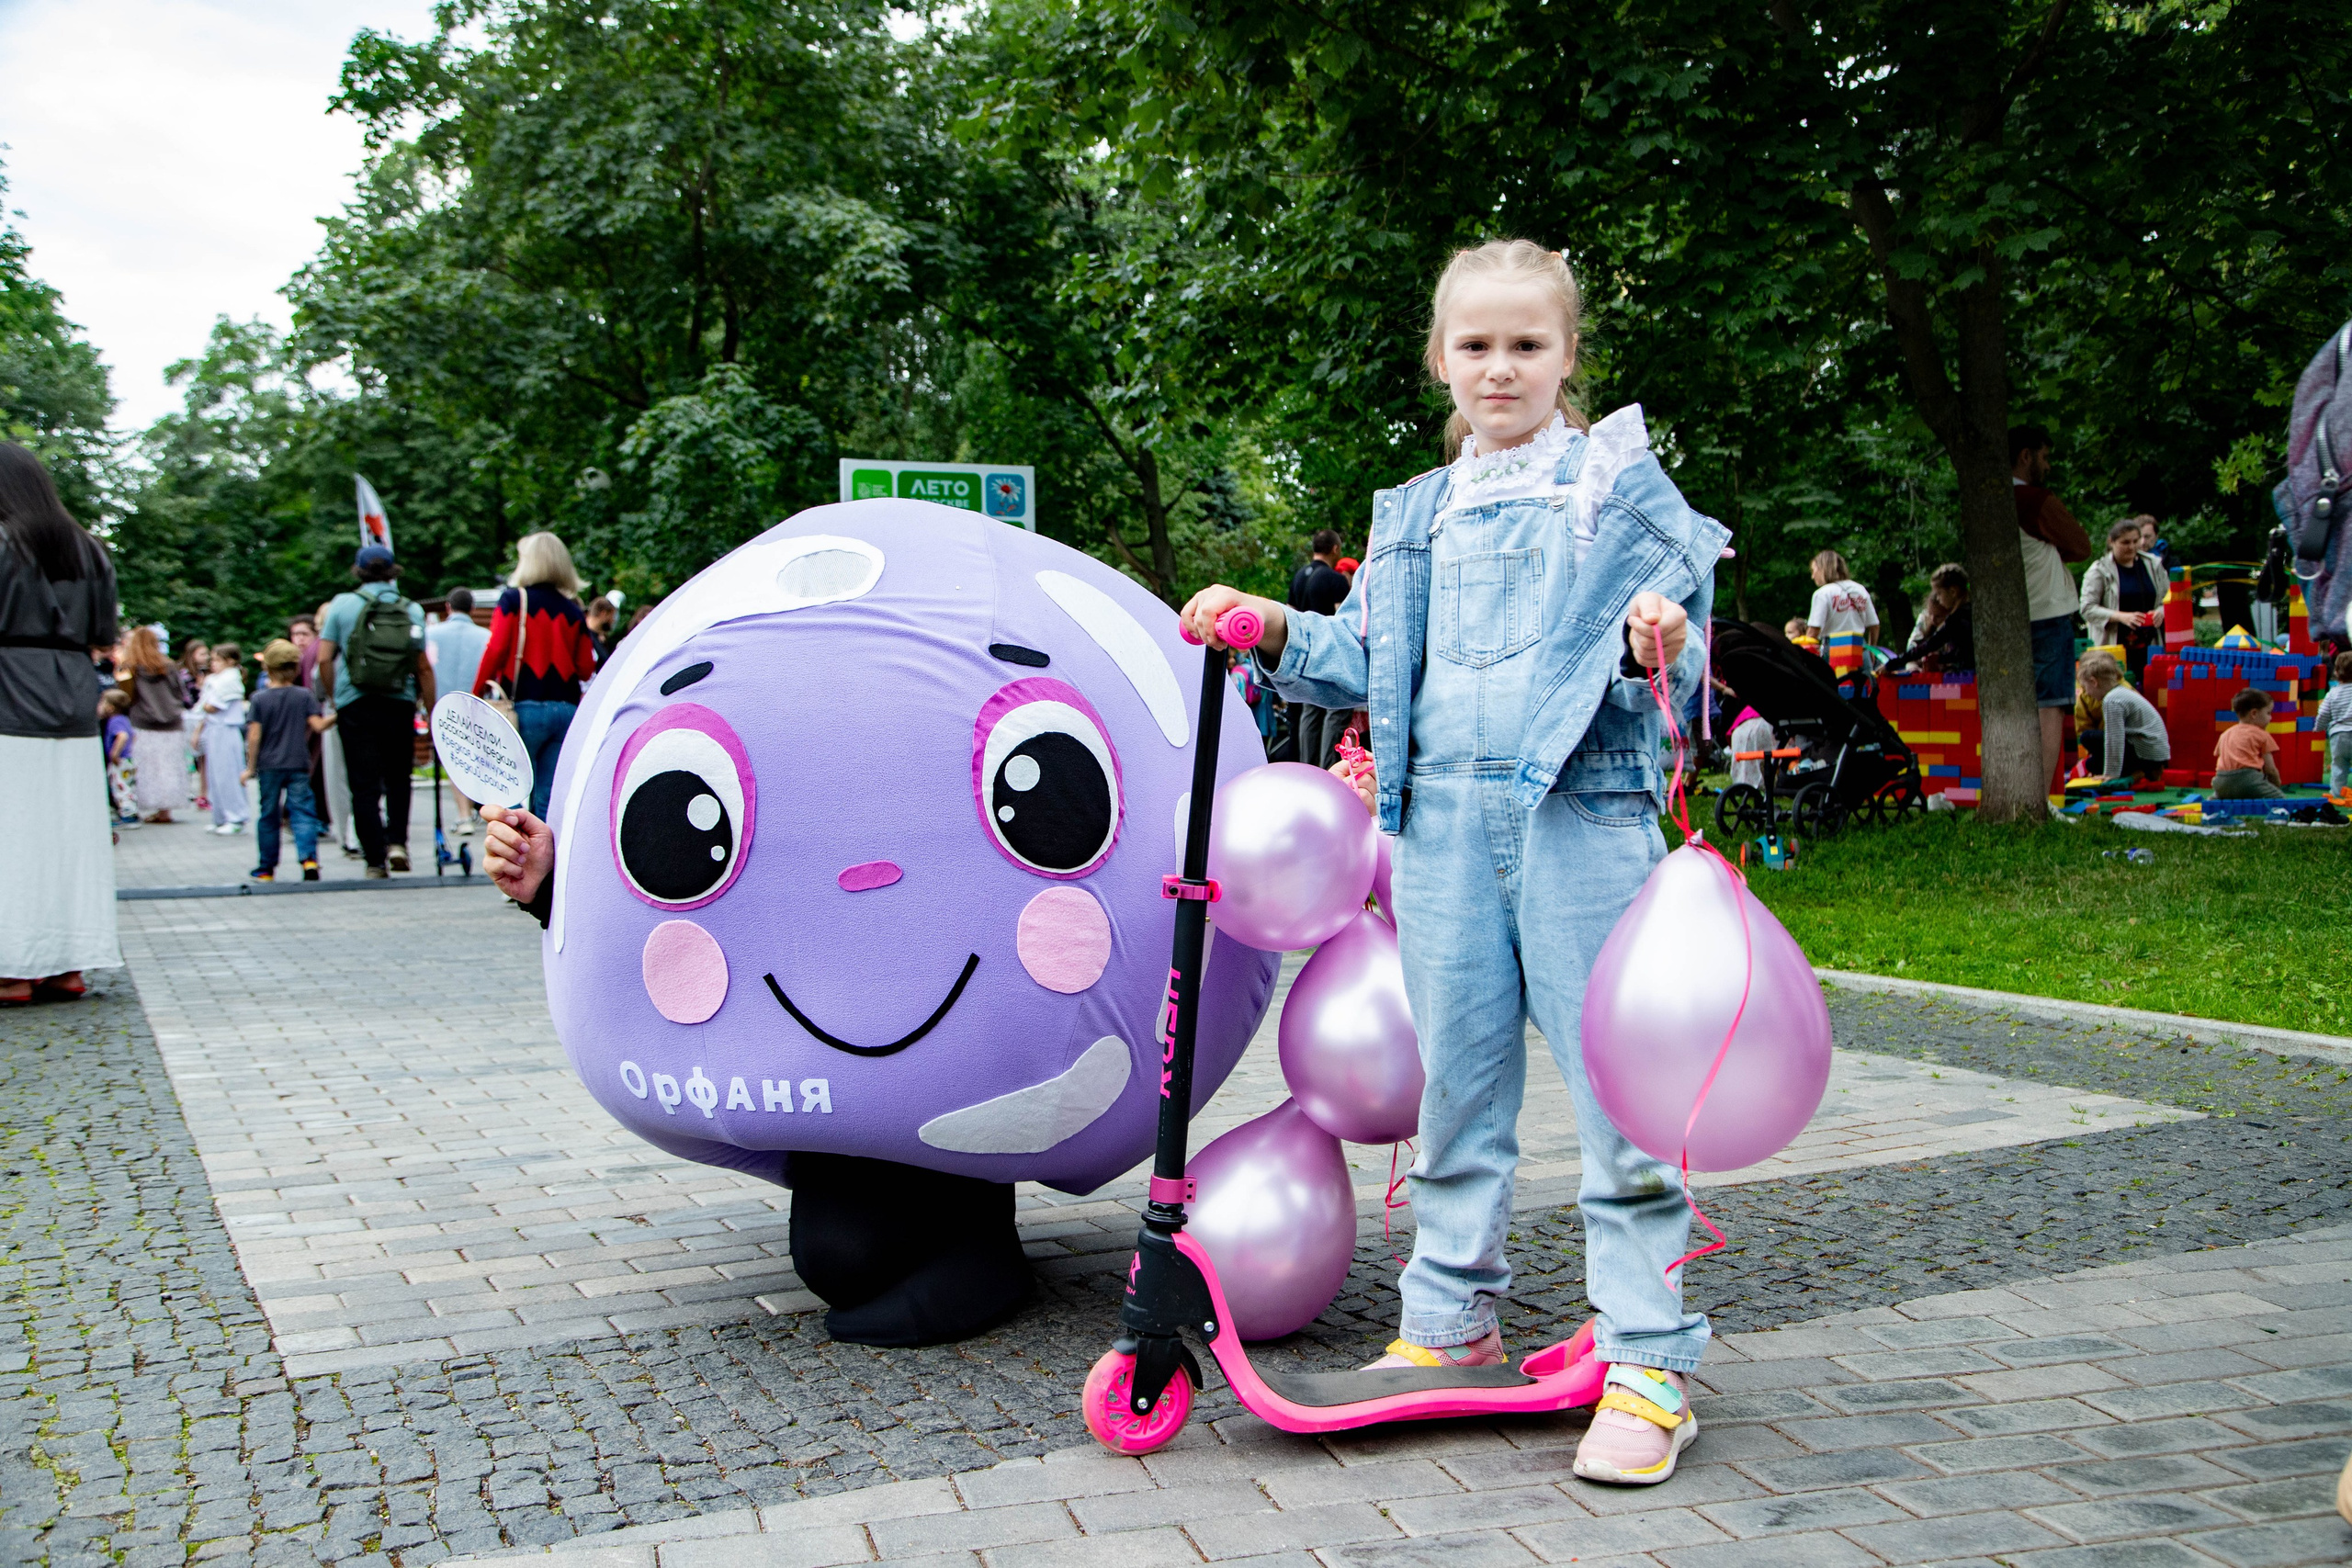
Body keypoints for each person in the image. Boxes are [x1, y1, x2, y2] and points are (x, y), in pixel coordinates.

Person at [1180, 240, 1719, 1486]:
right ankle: (1448, 1320)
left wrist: (1670, 638)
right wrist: (1265, 626)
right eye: (1475, 345)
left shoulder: (1617, 493)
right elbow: (1363, 657)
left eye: (1528, 344)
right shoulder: (1418, 514)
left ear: (1567, 356)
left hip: (1583, 821)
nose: (1501, 367)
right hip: (1438, 832)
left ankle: (1649, 1359)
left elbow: (1684, 679)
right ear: (1441, 358)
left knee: (1621, 1098)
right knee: (1454, 1096)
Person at [0, 441, 122, 1002]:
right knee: (69, 834)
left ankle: (13, 967)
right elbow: (103, 633)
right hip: (71, 695)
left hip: (8, 689)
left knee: (14, 836)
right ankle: (67, 963)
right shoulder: (89, 549)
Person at [318, 544, 436, 876]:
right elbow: (423, 666)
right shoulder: (411, 609)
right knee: (399, 777)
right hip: (398, 701)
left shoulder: (341, 605)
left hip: (354, 703)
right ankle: (398, 842)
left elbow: (325, 659)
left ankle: (374, 859)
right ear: (392, 570)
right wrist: (430, 707)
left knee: (363, 782)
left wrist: (334, 697)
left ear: (358, 571)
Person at [472, 531, 598, 819]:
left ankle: (516, 859)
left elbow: (497, 649)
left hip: (525, 709)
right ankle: (546, 863)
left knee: (511, 795)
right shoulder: (574, 610)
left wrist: (476, 692)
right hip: (566, 711)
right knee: (549, 801)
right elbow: (585, 668)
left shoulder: (514, 600)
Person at [2010, 425, 2095, 791]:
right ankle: (2041, 798)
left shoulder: (1987, 501)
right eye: (2044, 456)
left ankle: (2018, 790)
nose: (2048, 465)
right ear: (2026, 456)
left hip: (2012, 616)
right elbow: (2081, 545)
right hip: (2047, 610)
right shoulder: (2035, 500)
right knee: (2051, 706)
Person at [243, 638, 330, 881]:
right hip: (299, 764)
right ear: (295, 668)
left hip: (269, 766)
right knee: (303, 812)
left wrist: (250, 767)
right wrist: (338, 714)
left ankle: (266, 869)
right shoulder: (304, 696)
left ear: (267, 668)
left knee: (269, 815)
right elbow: (319, 726)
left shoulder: (259, 699)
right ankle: (309, 860)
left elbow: (254, 736)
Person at [1284, 530, 1355, 770]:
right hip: (1330, 652)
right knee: (1336, 710)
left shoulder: (1298, 577)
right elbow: (1344, 619)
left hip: (1304, 654)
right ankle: (1328, 771)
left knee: (1310, 711)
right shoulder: (1334, 579)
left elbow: (1289, 615)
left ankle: (1306, 768)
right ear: (1335, 549)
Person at [427, 588, 492, 832]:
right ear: (473, 609)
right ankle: (481, 808)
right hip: (475, 704)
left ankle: (464, 815)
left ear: (447, 607)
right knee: (479, 757)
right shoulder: (484, 635)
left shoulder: (431, 634)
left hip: (443, 705)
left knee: (455, 758)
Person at [2079, 518, 2165, 687]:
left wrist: (2161, 611)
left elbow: (2168, 599)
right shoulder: (2099, 570)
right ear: (2112, 542)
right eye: (2125, 542)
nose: (2132, 547)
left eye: (2135, 541)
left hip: (2149, 645)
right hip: (2114, 646)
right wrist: (2120, 617)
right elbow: (2087, 608)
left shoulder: (2153, 564)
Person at [119, 626, 192, 822]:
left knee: (147, 768)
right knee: (169, 767)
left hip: (143, 723)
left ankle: (148, 808)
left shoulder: (130, 668)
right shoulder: (169, 666)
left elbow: (127, 696)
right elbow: (180, 692)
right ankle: (165, 810)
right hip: (172, 723)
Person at [2074, 652, 2168, 786]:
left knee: (2087, 737)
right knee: (2091, 764)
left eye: (2086, 687)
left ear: (2094, 682)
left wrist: (2111, 774)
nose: (2087, 692)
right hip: (2155, 754)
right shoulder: (2122, 692)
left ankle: (2141, 770)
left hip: (2146, 754)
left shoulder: (2112, 700)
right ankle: (2143, 771)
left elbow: (2114, 739)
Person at [198, 642, 250, 833]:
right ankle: (220, 816)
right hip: (215, 729)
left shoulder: (230, 679)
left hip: (226, 729)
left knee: (228, 773)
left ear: (230, 661)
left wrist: (206, 703)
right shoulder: (217, 679)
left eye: (218, 660)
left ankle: (236, 816)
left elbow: (212, 705)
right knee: (215, 775)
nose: (214, 663)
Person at [1803, 549, 1879, 679]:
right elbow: (1875, 625)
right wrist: (1872, 651)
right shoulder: (1860, 589)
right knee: (1865, 692)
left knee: (1837, 692)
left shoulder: (1822, 593)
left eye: (1813, 570)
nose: (1813, 576)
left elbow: (1813, 631)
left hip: (1835, 651)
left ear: (1823, 568)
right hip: (1861, 649)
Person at [1887, 564, 1973, 675]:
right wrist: (1941, 658)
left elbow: (1928, 646)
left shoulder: (1956, 620)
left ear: (1953, 592)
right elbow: (1964, 653)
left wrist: (1892, 664)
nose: (1938, 598)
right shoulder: (1970, 613)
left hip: (1967, 678)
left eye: (1939, 594)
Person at [2212, 688, 2286, 799]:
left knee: (2220, 799)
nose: (2270, 718)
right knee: (2281, 800)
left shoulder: (2225, 734)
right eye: (2268, 713)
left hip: (2221, 780)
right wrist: (2276, 787)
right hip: (2247, 779)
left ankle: (2211, 805)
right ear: (2254, 714)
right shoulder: (2262, 734)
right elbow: (2270, 770)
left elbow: (2221, 759)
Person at [99, 687, 138, 825]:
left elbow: (123, 736)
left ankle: (128, 815)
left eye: (101, 703)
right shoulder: (124, 719)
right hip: (127, 759)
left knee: (121, 787)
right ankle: (130, 812)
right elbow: (133, 736)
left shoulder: (115, 721)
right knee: (128, 786)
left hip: (120, 761)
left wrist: (115, 753)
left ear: (110, 708)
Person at [2319, 653, 2352, 793]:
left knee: (2339, 765)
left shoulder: (2333, 693)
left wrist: (2319, 727)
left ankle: (2336, 794)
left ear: (2336, 672)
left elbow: (2323, 713)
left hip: (2339, 735)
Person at [583, 592, 616, 663]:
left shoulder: (598, 639)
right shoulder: (584, 637)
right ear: (603, 614)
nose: (613, 620)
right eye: (612, 616)